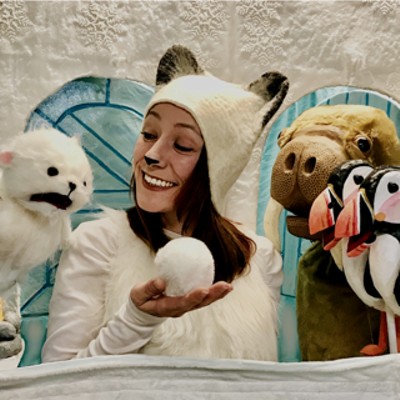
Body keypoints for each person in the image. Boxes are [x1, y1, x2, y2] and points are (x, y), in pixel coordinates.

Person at [42, 45, 288, 362]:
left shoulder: (260, 258)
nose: (152, 154)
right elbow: (56, 381)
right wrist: (136, 320)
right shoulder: (97, 244)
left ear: (219, 169)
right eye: (148, 134)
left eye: (182, 145)